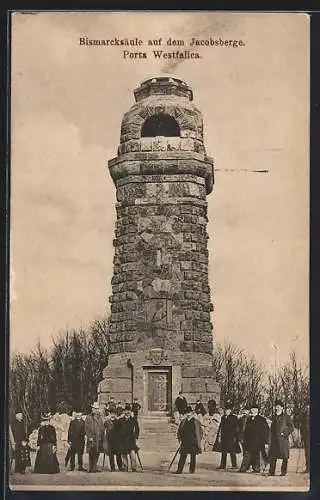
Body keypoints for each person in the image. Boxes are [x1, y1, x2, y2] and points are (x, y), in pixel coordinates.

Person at [238, 402, 269, 473]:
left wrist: (265, 441)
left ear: (258, 410)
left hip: (258, 440)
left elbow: (266, 431)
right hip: (249, 440)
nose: (253, 410)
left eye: (255, 409)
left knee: (257, 455)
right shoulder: (249, 419)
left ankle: (256, 468)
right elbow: (246, 430)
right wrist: (244, 438)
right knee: (247, 454)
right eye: (252, 409)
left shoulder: (262, 419)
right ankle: (243, 468)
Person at [268, 399, 294, 476]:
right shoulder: (273, 417)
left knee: (284, 457)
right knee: (273, 455)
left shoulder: (286, 417)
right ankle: (271, 472)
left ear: (282, 408)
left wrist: (285, 433)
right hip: (274, 439)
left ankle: (283, 472)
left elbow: (291, 427)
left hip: (283, 440)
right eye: (276, 407)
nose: (277, 408)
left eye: (278, 407)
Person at [175, 405, 203, 474]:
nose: (188, 414)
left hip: (193, 441)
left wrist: (197, 440)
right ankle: (179, 469)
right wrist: (180, 439)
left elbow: (200, 432)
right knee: (183, 456)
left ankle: (192, 470)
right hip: (185, 441)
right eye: (187, 413)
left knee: (193, 456)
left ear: (192, 413)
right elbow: (179, 431)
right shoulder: (183, 422)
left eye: (189, 413)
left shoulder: (196, 422)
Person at [214, 402, 241, 470]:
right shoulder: (223, 417)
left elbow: (237, 428)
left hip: (232, 437)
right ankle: (222, 465)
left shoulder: (234, 417)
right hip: (224, 437)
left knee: (232, 452)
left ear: (230, 410)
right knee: (224, 452)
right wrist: (220, 436)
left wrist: (236, 437)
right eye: (225, 410)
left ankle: (234, 465)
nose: (226, 411)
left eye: (228, 410)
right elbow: (221, 427)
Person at [118, 404, 140, 472]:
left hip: (131, 439)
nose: (128, 412)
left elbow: (137, 429)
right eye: (126, 411)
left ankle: (134, 467)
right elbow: (117, 429)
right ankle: (125, 467)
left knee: (132, 454)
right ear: (124, 411)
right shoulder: (121, 420)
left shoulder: (133, 419)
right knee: (123, 454)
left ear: (131, 412)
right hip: (123, 439)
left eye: (129, 411)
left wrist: (136, 436)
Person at [85, 402, 105, 473]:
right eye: (94, 409)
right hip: (92, 438)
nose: (96, 410)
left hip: (99, 437)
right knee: (92, 452)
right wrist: (89, 436)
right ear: (92, 409)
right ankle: (91, 468)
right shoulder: (88, 417)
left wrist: (103, 435)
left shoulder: (99, 418)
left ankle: (94, 466)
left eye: (97, 409)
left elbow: (102, 427)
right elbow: (86, 428)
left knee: (97, 452)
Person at [300, 403, 309, 473]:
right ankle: (308, 468)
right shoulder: (304, 415)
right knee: (307, 452)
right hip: (306, 436)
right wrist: (302, 437)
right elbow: (302, 427)